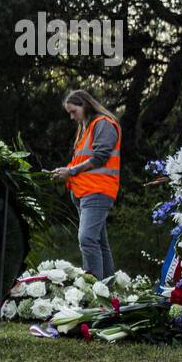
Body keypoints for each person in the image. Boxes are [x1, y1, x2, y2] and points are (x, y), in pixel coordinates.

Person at [54, 89, 121, 279]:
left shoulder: (104, 124)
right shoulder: (87, 129)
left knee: (87, 239)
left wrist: (71, 171)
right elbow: (81, 161)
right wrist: (65, 171)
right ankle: (108, 288)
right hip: (85, 191)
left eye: (73, 111)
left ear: (84, 105)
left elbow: (100, 157)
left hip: (98, 190)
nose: (71, 117)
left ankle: (94, 289)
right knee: (99, 242)